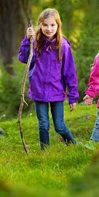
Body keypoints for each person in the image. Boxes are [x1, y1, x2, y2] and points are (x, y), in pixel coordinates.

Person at [18, 8, 79, 149]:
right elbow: (22, 57)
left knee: (59, 126)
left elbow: (70, 72)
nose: (49, 28)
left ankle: (74, 145)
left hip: (57, 92)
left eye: (52, 25)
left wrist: (73, 97)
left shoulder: (63, 46)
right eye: (45, 25)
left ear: (58, 26)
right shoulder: (35, 42)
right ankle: (45, 152)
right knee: (43, 124)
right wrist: (27, 40)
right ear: (40, 25)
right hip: (38, 90)